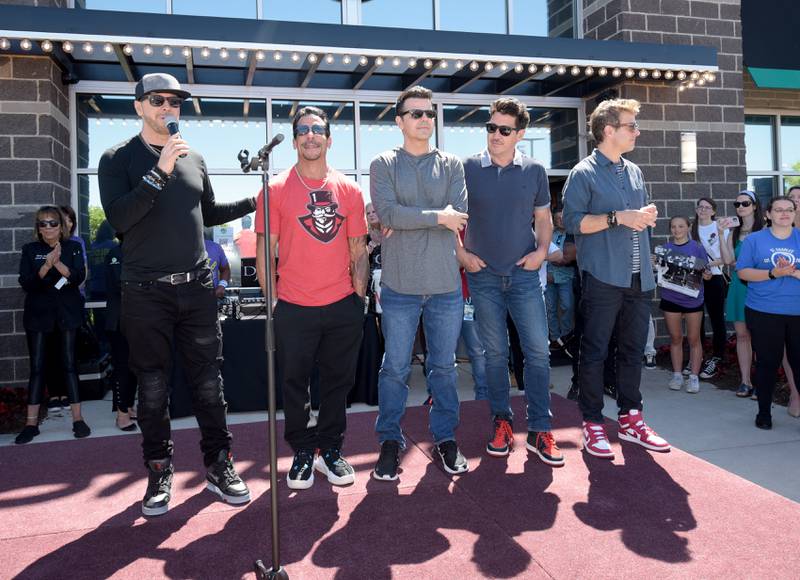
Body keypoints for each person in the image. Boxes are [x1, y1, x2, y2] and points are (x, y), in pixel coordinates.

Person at [99, 73, 253, 516]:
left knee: (209, 383)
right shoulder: (117, 158)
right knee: (151, 388)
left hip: (198, 289)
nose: (168, 107)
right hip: (146, 293)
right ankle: (159, 470)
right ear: (139, 107)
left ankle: (219, 465)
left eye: (175, 102)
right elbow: (120, 219)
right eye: (158, 100)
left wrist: (253, 202)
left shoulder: (195, 157)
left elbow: (208, 213)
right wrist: (160, 170)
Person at [255, 105, 368, 489]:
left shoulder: (349, 189)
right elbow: (263, 252)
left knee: (338, 384)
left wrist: (359, 299)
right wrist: (273, 304)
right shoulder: (274, 190)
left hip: (342, 306)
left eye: (317, 129)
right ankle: (303, 452)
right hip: (294, 306)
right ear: (295, 140)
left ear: (328, 138)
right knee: (294, 384)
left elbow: (359, 250)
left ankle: (331, 451)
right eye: (302, 130)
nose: (310, 135)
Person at [370, 85, 469, 480]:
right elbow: (389, 215)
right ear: (399, 121)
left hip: (446, 287)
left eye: (429, 113)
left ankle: (445, 438)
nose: (424, 119)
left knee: (443, 369)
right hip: (399, 288)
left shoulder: (452, 164)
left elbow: (459, 216)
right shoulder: (383, 164)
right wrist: (435, 217)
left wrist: (418, 217)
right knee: (394, 368)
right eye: (415, 113)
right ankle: (390, 441)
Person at [562, 98, 670, 459]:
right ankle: (592, 423)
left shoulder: (635, 171)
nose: (637, 131)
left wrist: (645, 214)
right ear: (609, 131)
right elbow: (575, 223)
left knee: (633, 351)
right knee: (593, 352)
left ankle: (631, 418)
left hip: (639, 279)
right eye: (631, 126)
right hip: (603, 277)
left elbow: (633, 215)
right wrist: (618, 217)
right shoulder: (583, 174)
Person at [459, 97, 561, 465]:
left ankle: (539, 428)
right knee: (494, 355)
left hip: (523, 276)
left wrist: (541, 251)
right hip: (483, 276)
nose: (496, 135)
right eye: (491, 127)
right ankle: (501, 422)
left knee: (537, 352)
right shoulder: (467, 168)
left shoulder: (533, 171)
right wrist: (462, 256)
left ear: (520, 134)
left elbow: (544, 218)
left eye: (504, 129)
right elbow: (453, 220)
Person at [15, 206, 91, 444]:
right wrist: (46, 265)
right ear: (37, 227)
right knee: (38, 367)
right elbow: (27, 283)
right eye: (42, 223)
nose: (48, 227)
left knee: (69, 364)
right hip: (38, 316)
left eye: (52, 223)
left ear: (62, 225)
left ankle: (78, 420)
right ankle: (31, 424)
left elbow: (77, 278)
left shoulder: (73, 247)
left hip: (67, 314)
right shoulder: (30, 250)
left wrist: (58, 264)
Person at [737, 196, 800, 430]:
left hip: (797, 313)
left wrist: (792, 273)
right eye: (779, 210)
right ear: (768, 214)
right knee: (767, 363)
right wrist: (773, 273)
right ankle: (764, 412)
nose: (785, 214)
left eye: (789, 210)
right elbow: (743, 272)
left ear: (794, 214)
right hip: (764, 312)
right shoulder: (755, 240)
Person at [658, 216, 710, 394]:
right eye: (673, 227)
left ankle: (694, 376)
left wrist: (707, 275)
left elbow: (706, 271)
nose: (677, 230)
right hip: (670, 297)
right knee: (675, 338)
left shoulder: (697, 248)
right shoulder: (665, 249)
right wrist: (655, 265)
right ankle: (677, 374)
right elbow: (660, 272)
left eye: (680, 226)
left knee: (694, 339)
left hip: (692, 299)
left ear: (688, 227)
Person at [720, 190, 763, 398]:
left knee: (761, 337)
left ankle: (762, 382)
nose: (740, 207)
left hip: (760, 287)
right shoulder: (733, 232)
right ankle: (745, 381)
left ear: (754, 205)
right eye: (736, 204)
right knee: (743, 336)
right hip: (738, 286)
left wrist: (743, 264)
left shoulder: (765, 230)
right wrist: (721, 233)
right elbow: (728, 261)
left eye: (745, 203)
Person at [691, 197, 729, 380]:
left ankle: (717, 357)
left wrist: (707, 265)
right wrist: (700, 268)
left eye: (707, 208)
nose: (703, 210)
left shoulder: (721, 228)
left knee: (716, 319)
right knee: (695, 318)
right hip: (695, 278)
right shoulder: (691, 229)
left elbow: (725, 256)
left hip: (714, 278)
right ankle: (697, 357)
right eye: (700, 207)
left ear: (714, 211)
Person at [104, 235, 138, 431]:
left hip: (137, 320)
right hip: (118, 321)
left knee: (134, 367)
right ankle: (121, 414)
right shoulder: (116, 253)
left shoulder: (140, 251)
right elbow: (122, 284)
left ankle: (129, 406)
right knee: (122, 368)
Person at [781, 185, 800, 416]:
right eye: (791, 198)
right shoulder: (779, 229)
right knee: (788, 349)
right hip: (784, 298)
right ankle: (795, 393)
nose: (796, 201)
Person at [546, 209, 576, 350]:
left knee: (567, 305)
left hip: (566, 276)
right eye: (557, 218)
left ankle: (566, 336)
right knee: (550, 308)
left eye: (563, 218)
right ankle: (554, 338)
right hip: (550, 276)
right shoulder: (550, 235)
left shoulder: (572, 235)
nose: (561, 221)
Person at [203, 229, 231, 299]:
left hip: (211, 295)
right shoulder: (183, 248)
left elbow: (225, 269)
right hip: (187, 297)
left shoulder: (215, 247)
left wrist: (222, 286)